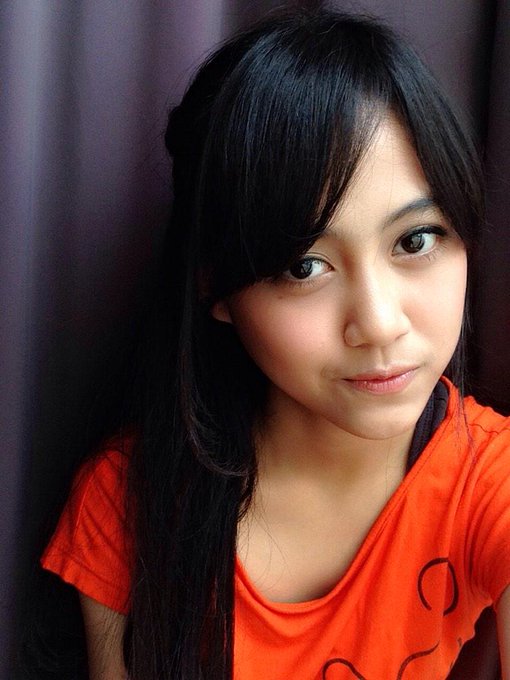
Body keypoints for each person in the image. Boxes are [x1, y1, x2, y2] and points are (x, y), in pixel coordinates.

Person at [40, 7, 510, 679]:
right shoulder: (128, 503)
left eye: (415, 240)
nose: (379, 323)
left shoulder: (490, 483)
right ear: (217, 290)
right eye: (304, 266)